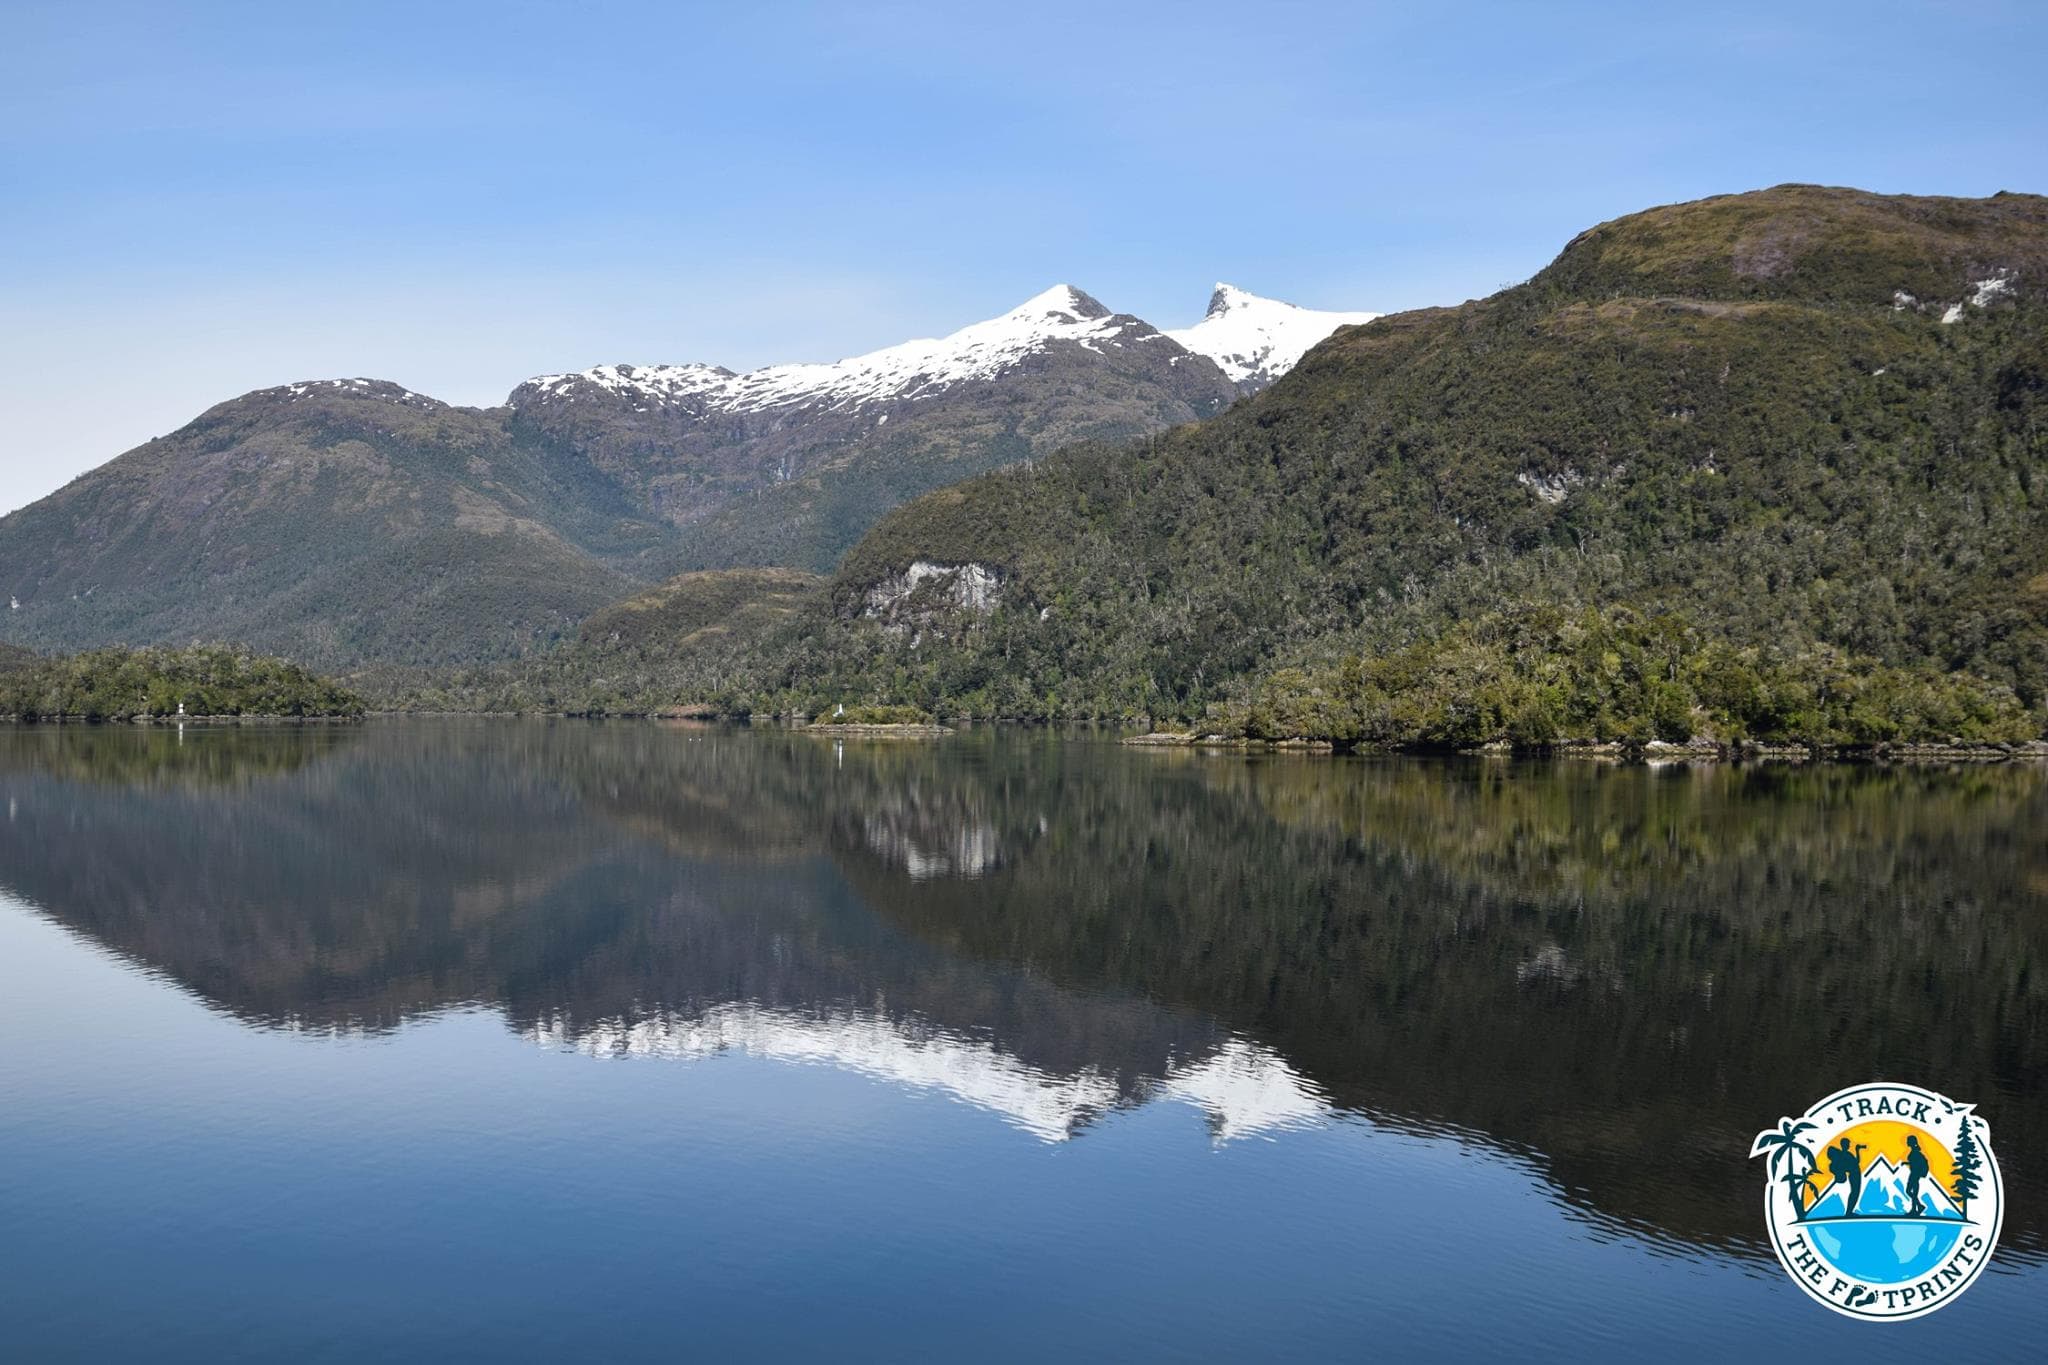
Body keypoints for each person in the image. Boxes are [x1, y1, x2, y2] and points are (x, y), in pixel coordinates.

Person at [1825, 1137, 1863, 1216]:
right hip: (1854, 1174)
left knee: (1854, 1193)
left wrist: (1857, 1150)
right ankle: (1849, 1212)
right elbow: (1856, 1162)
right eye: (1848, 1144)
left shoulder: (1844, 1154)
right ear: (1844, 1145)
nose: (1849, 1145)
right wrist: (1857, 1150)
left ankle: (1849, 1211)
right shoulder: (1845, 1154)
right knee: (1854, 1193)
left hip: (1855, 1174)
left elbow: (1854, 1163)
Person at [1904, 1134, 1930, 1216]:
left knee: (1910, 1191)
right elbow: (1914, 1162)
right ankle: (1918, 1207)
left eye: (1908, 1141)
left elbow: (1916, 1163)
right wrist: (1906, 1163)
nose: (1906, 1142)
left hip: (1914, 1174)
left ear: (1911, 1142)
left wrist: (1909, 1164)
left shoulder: (1915, 1152)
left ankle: (1915, 1209)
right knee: (1911, 1192)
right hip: (1914, 1174)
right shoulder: (1914, 1151)